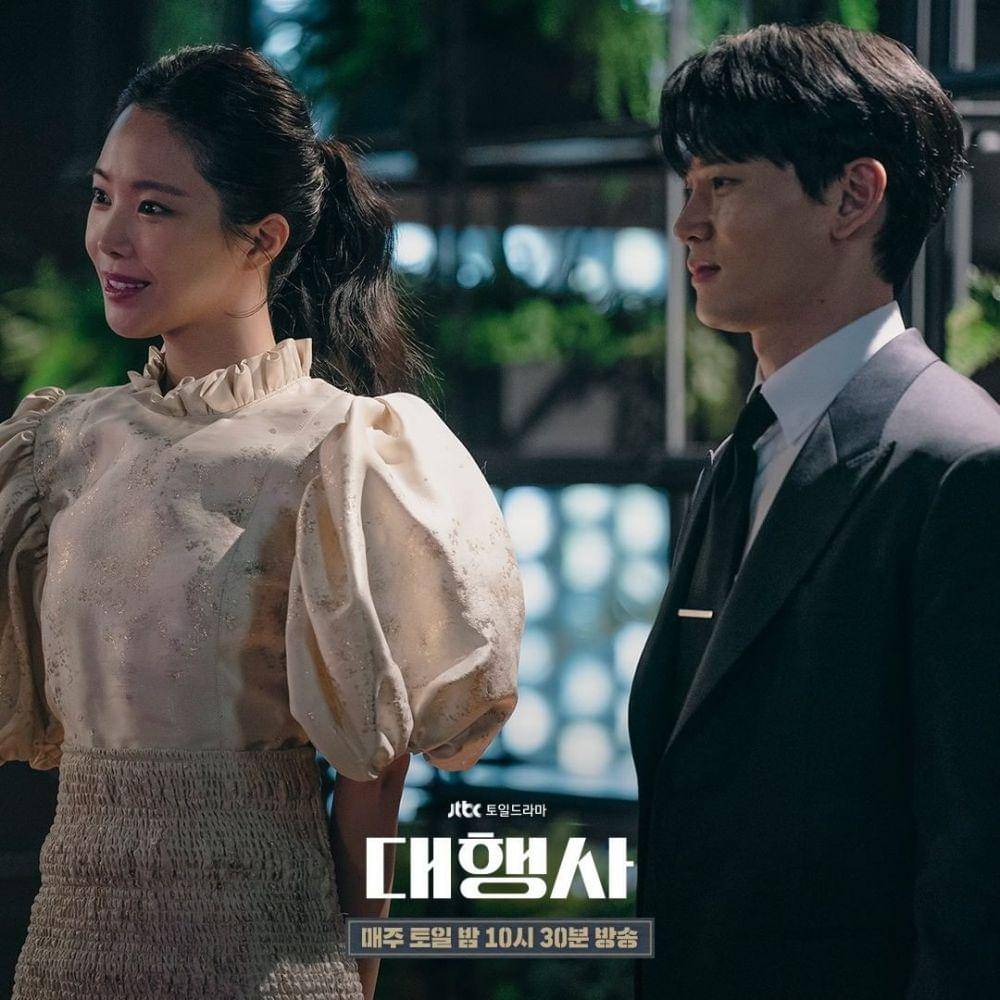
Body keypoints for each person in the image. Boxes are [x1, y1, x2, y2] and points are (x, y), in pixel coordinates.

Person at [1, 44, 524, 1000]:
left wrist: (359, 977)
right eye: (103, 196)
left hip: (265, 955)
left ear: (262, 238)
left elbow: (373, 783)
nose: (111, 236)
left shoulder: (344, 450)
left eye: (155, 208)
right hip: (69, 950)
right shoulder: (60, 449)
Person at [628, 21, 1000, 1000]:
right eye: (688, 185)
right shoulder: (743, 456)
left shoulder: (962, 467)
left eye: (722, 182)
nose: (687, 224)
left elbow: (977, 874)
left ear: (852, 197)